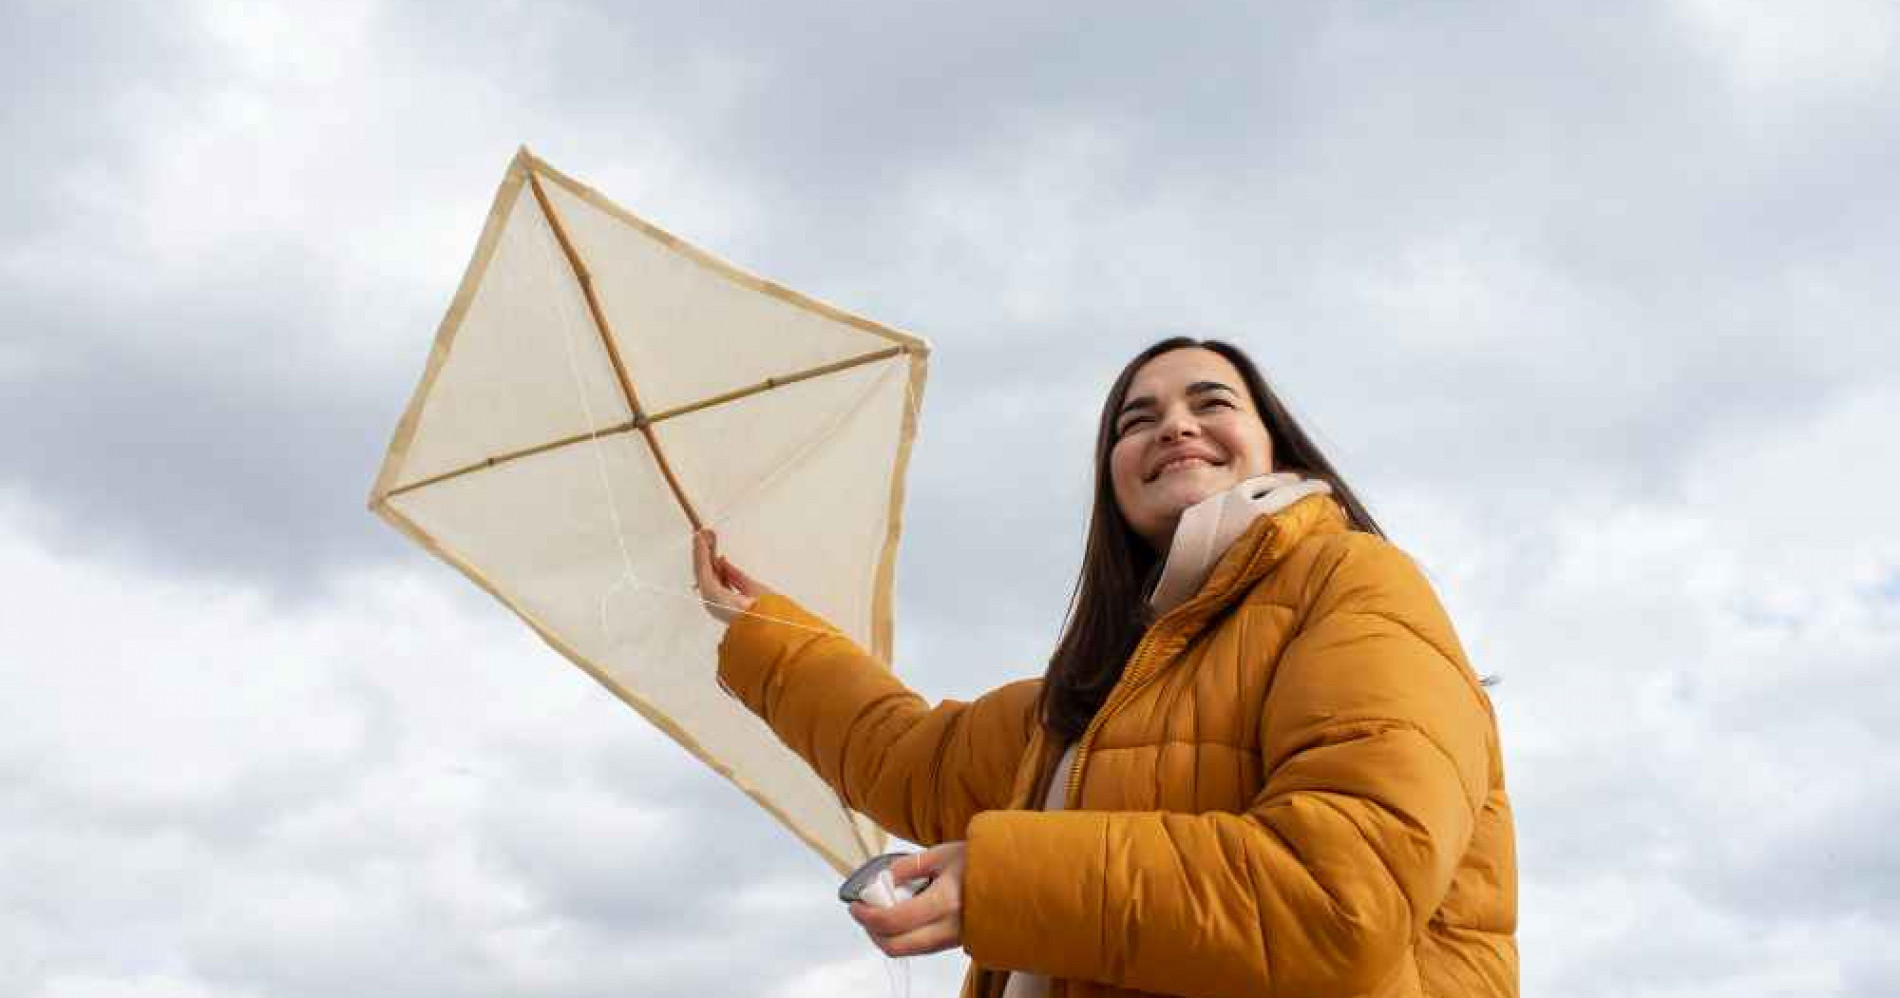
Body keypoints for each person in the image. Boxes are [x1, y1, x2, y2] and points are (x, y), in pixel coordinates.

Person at [692, 337, 1517, 998]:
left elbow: (1345, 895)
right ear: (1111, 480)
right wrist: (761, 624)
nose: (1174, 426)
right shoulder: (1084, 700)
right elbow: (902, 752)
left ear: (1272, 446)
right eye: (1137, 419)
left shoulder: (1353, 582)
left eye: (1211, 401)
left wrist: (1005, 884)